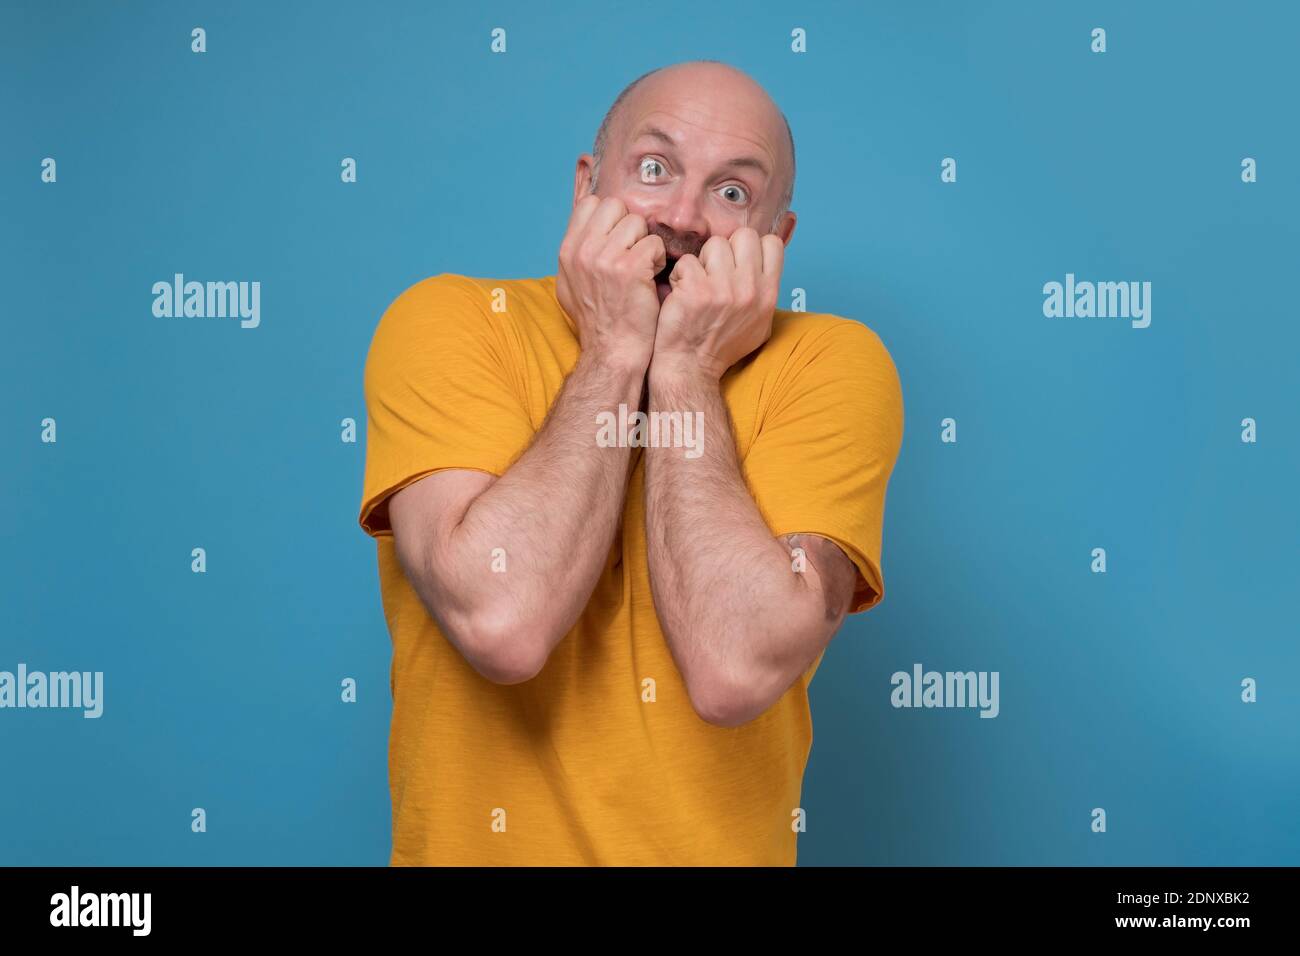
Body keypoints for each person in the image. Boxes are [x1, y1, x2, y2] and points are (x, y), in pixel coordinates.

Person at [357, 59, 905, 865]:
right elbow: (502, 624)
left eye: (731, 193)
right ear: (588, 187)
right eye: (655, 169)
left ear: (775, 239)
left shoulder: (831, 365)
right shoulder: (451, 323)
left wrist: (684, 368)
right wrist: (617, 348)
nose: (682, 217)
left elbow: (733, 672)